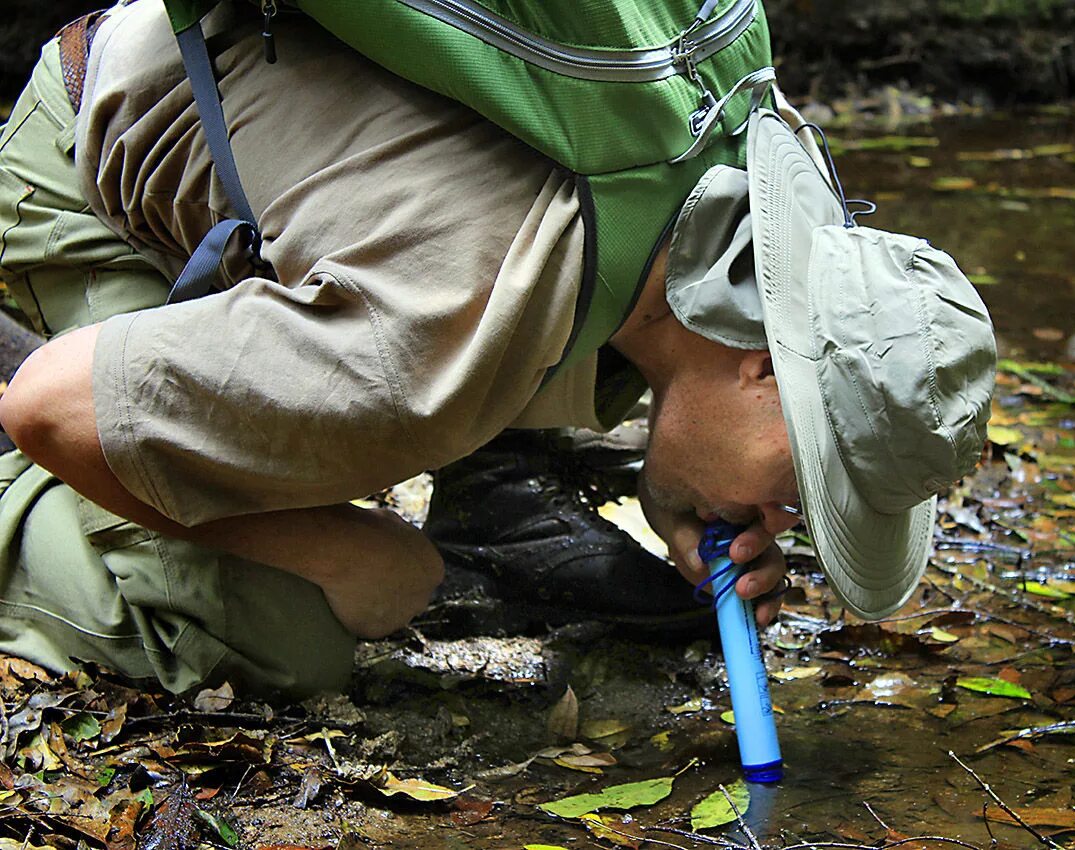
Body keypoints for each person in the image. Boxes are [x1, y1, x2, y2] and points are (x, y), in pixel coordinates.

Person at [0, 0, 996, 698]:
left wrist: (681, 482)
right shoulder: (441, 345)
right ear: (765, 363)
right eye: (803, 478)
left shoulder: (736, 174)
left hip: (251, 116)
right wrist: (355, 551)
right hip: (90, 174)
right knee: (301, 618)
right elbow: (53, 405)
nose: (784, 517)